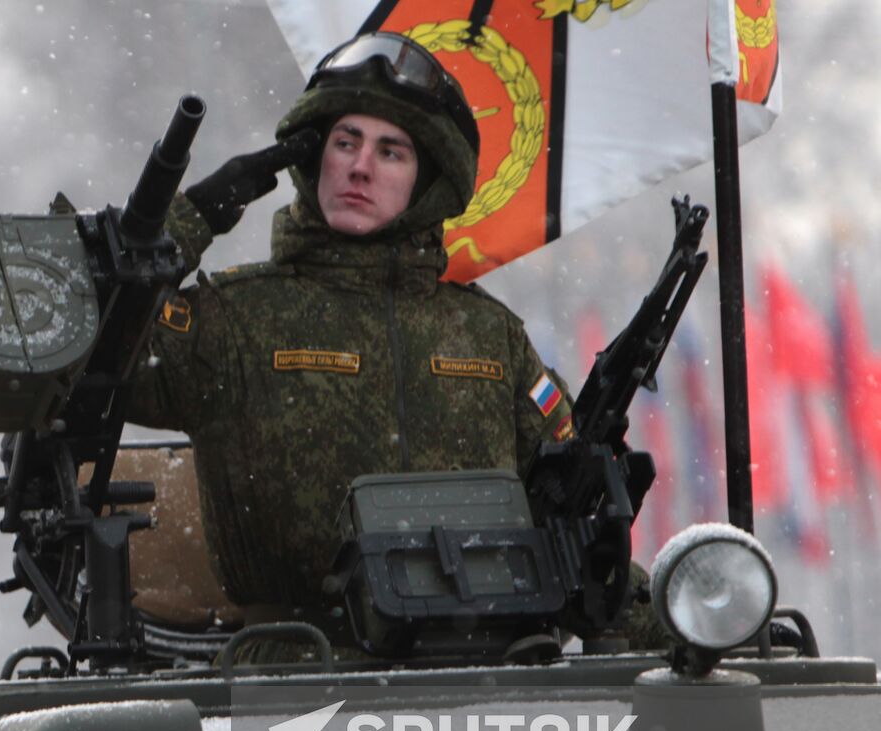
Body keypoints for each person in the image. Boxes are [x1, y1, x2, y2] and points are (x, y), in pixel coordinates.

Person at [128, 32, 575, 650]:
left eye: (391, 152)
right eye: (345, 143)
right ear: (315, 161)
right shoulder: (234, 320)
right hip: (294, 680)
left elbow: (570, 505)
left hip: (481, 673)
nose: (360, 166)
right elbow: (76, 355)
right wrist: (188, 220)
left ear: (427, 185)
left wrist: (683, 615)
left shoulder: (490, 337)